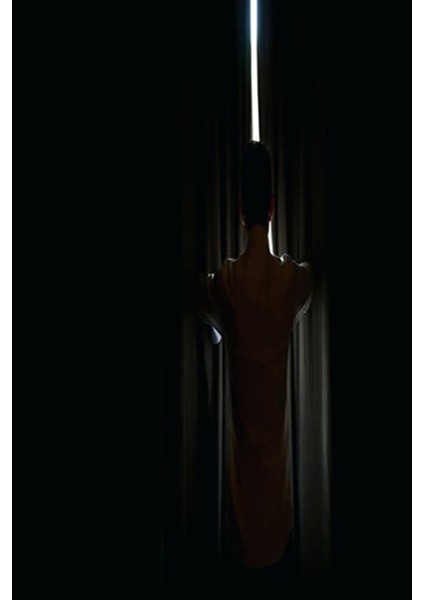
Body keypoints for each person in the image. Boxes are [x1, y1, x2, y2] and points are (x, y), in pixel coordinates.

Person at [199, 141, 313, 592]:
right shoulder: (292, 279)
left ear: (240, 210)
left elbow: (204, 303)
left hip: (240, 514)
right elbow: (306, 283)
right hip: (280, 512)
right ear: (272, 206)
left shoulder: (226, 283)